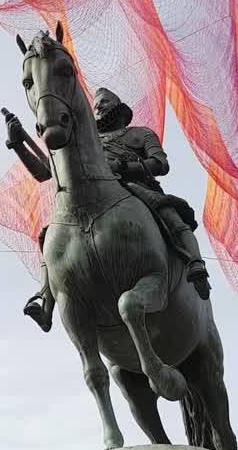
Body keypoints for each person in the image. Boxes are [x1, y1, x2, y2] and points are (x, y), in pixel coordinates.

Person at [22, 88, 211, 332]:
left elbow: (160, 165)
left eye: (105, 102)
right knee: (49, 236)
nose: (99, 107)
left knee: (170, 215)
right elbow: (46, 171)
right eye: (97, 104)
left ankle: (196, 265)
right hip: (92, 197)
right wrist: (18, 144)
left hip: (136, 187)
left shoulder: (140, 134)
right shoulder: (86, 142)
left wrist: (123, 165)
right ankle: (45, 299)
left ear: (119, 107)